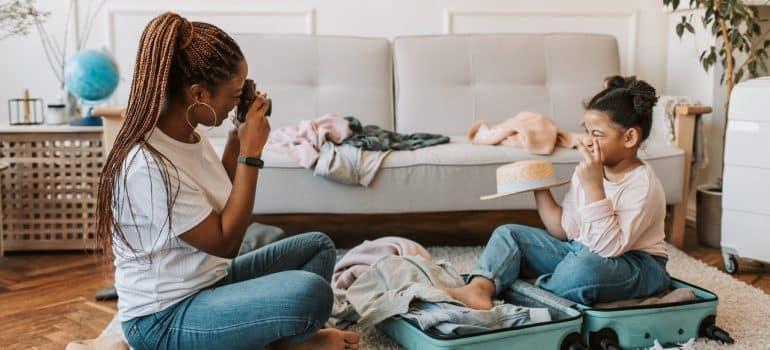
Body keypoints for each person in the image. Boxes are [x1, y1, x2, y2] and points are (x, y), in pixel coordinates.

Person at [94, 12, 358, 350]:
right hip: (163, 319)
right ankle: (282, 342)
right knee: (310, 293)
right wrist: (252, 154)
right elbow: (225, 241)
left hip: (209, 283)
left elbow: (220, 193)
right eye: (236, 94)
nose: (240, 100)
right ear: (199, 95)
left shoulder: (187, 131)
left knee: (318, 247)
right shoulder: (147, 165)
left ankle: (267, 338)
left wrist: (236, 138)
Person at [442, 76, 671, 308]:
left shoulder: (642, 185)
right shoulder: (589, 171)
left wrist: (594, 187)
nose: (588, 141)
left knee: (583, 269)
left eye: (598, 134)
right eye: (587, 132)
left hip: (636, 263)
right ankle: (479, 288)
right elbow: (564, 230)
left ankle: (534, 290)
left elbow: (608, 248)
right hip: (582, 250)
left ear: (630, 137)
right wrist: (539, 189)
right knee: (508, 234)